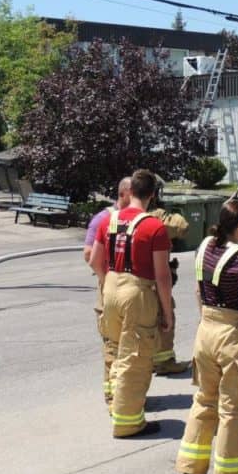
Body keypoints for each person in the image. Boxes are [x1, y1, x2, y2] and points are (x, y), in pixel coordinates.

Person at [176, 199, 238, 474]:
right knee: (234, 408)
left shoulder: (204, 247)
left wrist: (206, 321)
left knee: (204, 399)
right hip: (233, 335)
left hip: (206, 331)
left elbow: (197, 291)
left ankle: (192, 466)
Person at [90, 169, 173, 438]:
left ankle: (115, 404)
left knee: (114, 349)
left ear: (131, 191)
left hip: (111, 288)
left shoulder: (108, 221)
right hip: (137, 292)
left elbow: (95, 261)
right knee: (135, 358)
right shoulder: (154, 227)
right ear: (152, 195)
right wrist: (167, 313)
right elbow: (162, 276)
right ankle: (128, 423)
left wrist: (108, 283)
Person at [83, 177, 131, 407]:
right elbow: (89, 255)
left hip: (125, 293)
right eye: (134, 195)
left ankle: (124, 395)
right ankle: (113, 397)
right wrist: (107, 280)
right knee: (113, 348)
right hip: (110, 291)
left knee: (128, 347)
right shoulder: (103, 219)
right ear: (123, 194)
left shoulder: (132, 218)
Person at [146, 176, 192, 377]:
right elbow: (182, 227)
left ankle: (146, 361)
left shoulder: (119, 216)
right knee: (165, 316)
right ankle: (164, 361)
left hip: (128, 280)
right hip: (154, 278)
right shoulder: (155, 216)